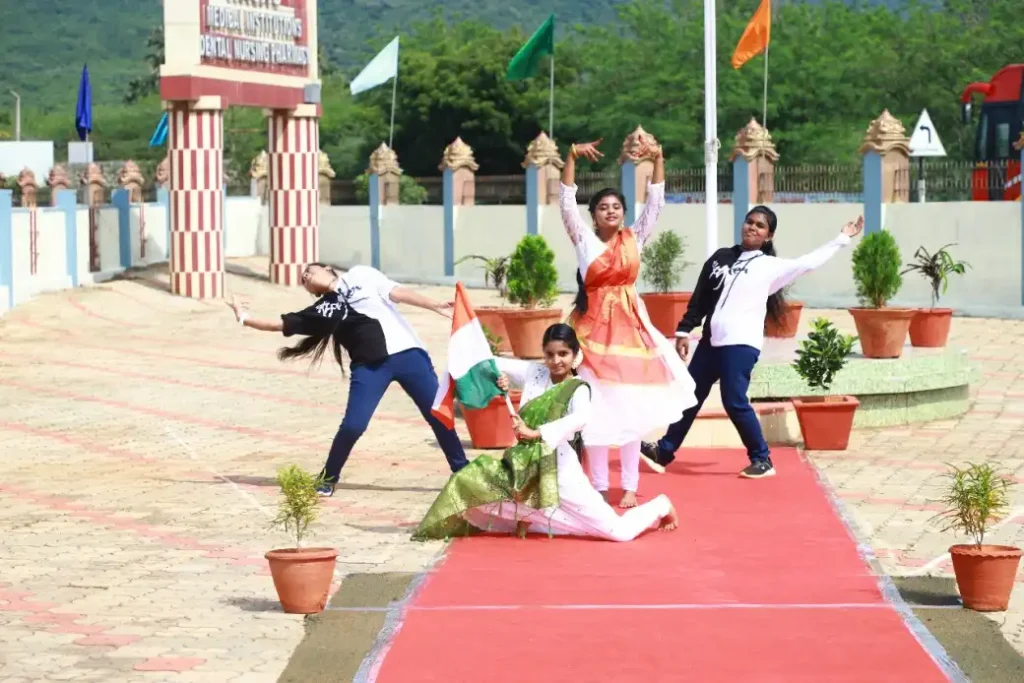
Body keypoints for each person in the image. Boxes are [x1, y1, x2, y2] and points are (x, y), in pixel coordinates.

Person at [641, 207, 865, 478]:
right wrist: (684, 330)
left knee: (734, 400)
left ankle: (762, 459)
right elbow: (701, 297)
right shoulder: (721, 258)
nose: (752, 228)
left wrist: (842, 238)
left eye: (760, 225)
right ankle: (664, 451)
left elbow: (809, 262)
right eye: (750, 222)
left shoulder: (770, 267)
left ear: (768, 236)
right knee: (690, 395)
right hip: (711, 342)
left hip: (740, 344)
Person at [413, 324, 678, 542]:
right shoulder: (535, 373)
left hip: (561, 473)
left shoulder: (578, 388)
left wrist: (535, 432)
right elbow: (490, 363)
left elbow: (580, 418)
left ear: (575, 355)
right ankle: (529, 514)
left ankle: (661, 506)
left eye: (563, 354)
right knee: (469, 488)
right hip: (523, 469)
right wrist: (490, 370)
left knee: (618, 532)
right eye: (550, 354)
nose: (556, 361)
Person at [225, 262, 469, 496]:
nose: (306, 276)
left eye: (309, 270)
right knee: (353, 425)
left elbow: (396, 292)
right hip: (369, 368)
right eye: (303, 280)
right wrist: (243, 316)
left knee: (438, 416)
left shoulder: (360, 275)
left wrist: (434, 304)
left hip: (409, 356)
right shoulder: (321, 311)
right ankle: (328, 478)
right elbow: (278, 324)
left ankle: (462, 471)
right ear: (311, 291)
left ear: (327, 268)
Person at [559, 136, 697, 508]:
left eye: (616, 206)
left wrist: (659, 158)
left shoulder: (635, 238)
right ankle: (600, 487)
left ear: (623, 212)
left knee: (632, 411)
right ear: (593, 215)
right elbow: (566, 201)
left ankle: (631, 487)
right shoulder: (583, 239)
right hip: (590, 335)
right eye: (603, 207)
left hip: (631, 334)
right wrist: (570, 157)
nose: (610, 211)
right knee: (596, 413)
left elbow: (656, 204)